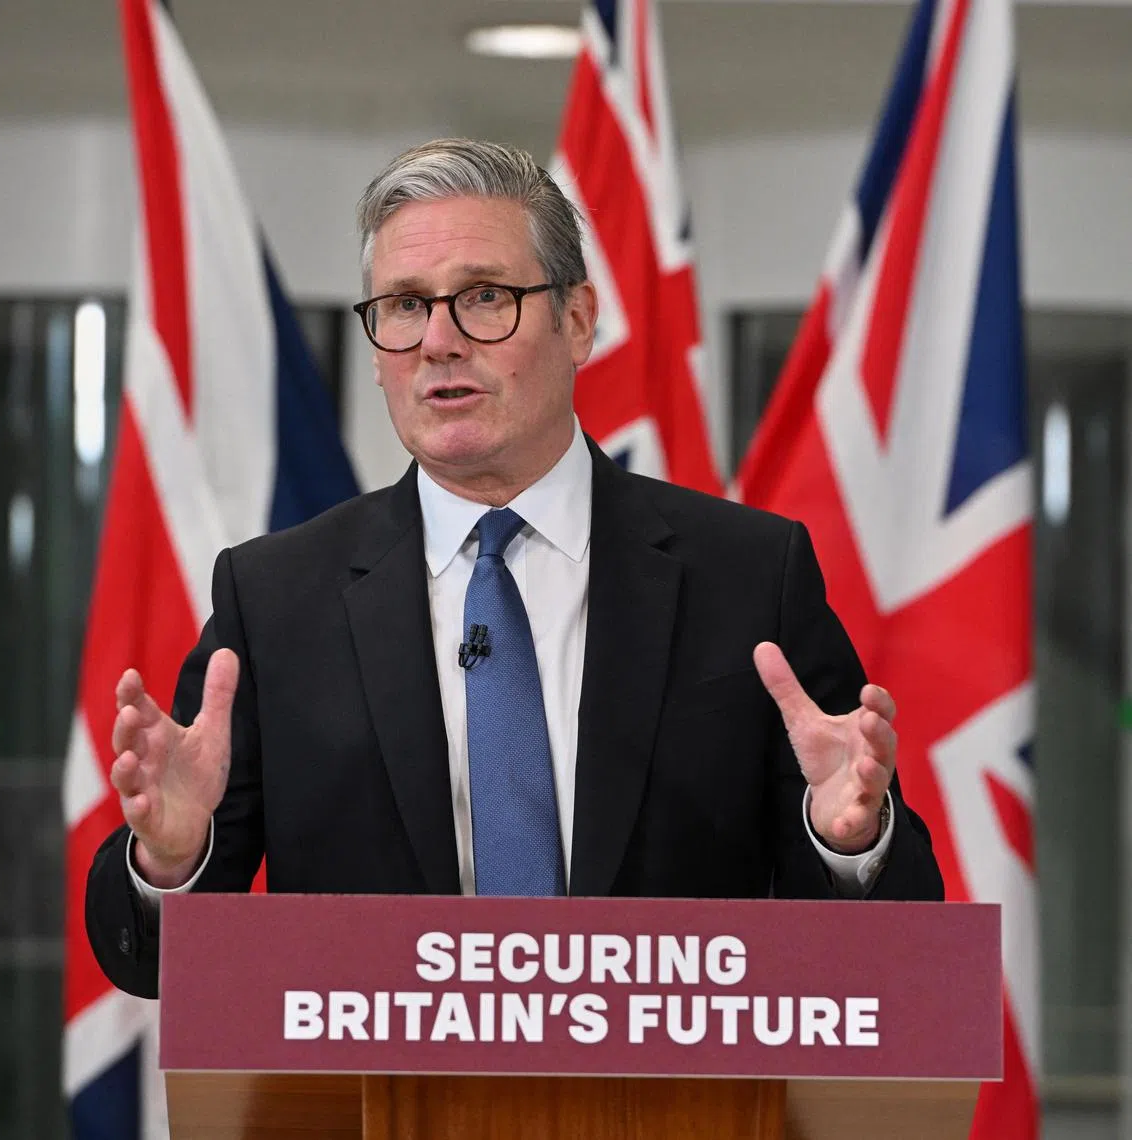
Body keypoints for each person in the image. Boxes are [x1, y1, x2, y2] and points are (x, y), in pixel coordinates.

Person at [86, 138, 943, 1000]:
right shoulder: (275, 601)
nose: (440, 342)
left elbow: (894, 943)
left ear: (577, 320)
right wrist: (173, 858)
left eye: (484, 297)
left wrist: (848, 847)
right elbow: (153, 964)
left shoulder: (751, 576)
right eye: (404, 305)